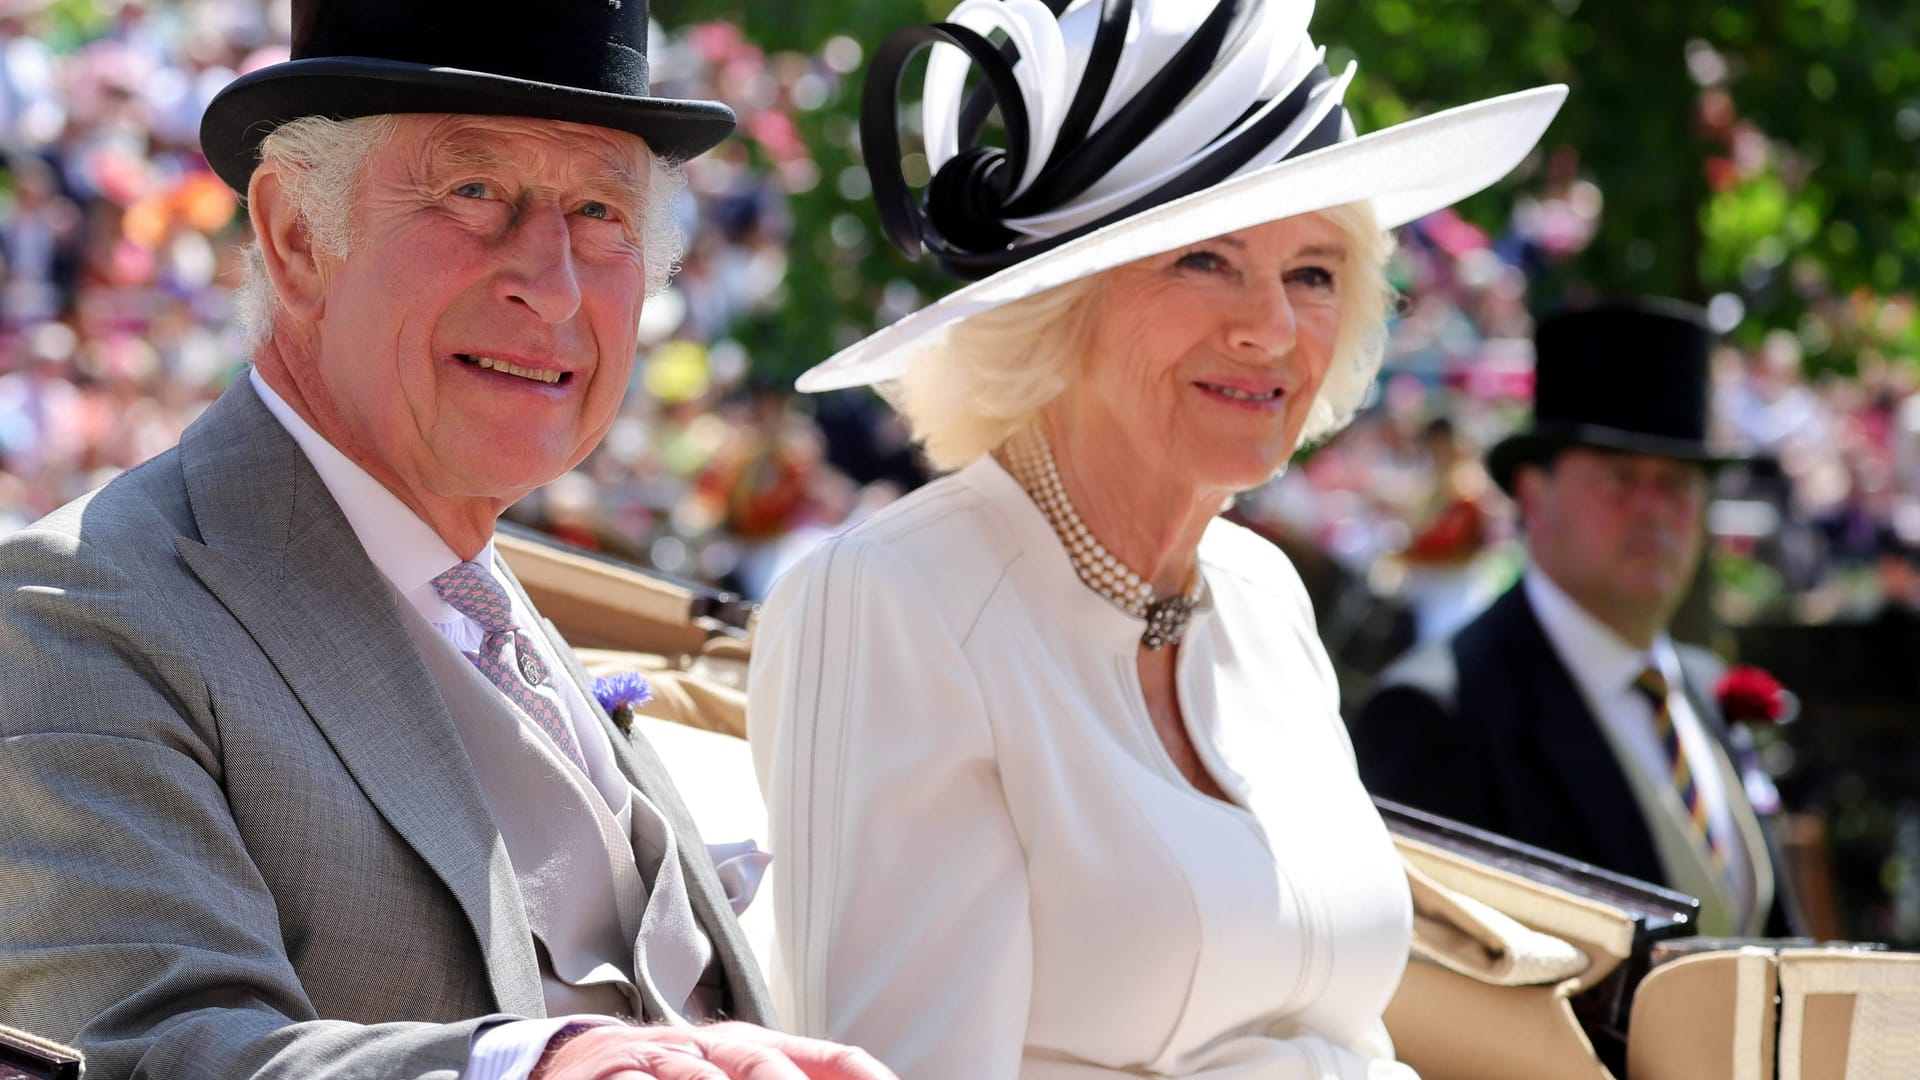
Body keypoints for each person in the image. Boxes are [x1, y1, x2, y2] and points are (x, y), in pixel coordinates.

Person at [0, 3, 898, 1079]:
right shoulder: (80, 610)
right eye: (474, 192)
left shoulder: (492, 595)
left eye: (602, 211)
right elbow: (139, 1050)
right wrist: (535, 1067)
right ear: (295, 240)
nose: (553, 283)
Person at [745, 1, 1566, 1076]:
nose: (1270, 327)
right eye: (1204, 262)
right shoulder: (895, 602)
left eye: (1313, 273)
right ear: (1059, 308)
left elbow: (1349, 1034)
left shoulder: (1263, 595)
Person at [1352, 299, 1805, 939]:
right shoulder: (1440, 713)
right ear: (1534, 494)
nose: (1652, 509)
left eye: (1677, 483)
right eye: (1621, 478)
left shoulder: (1704, 690)